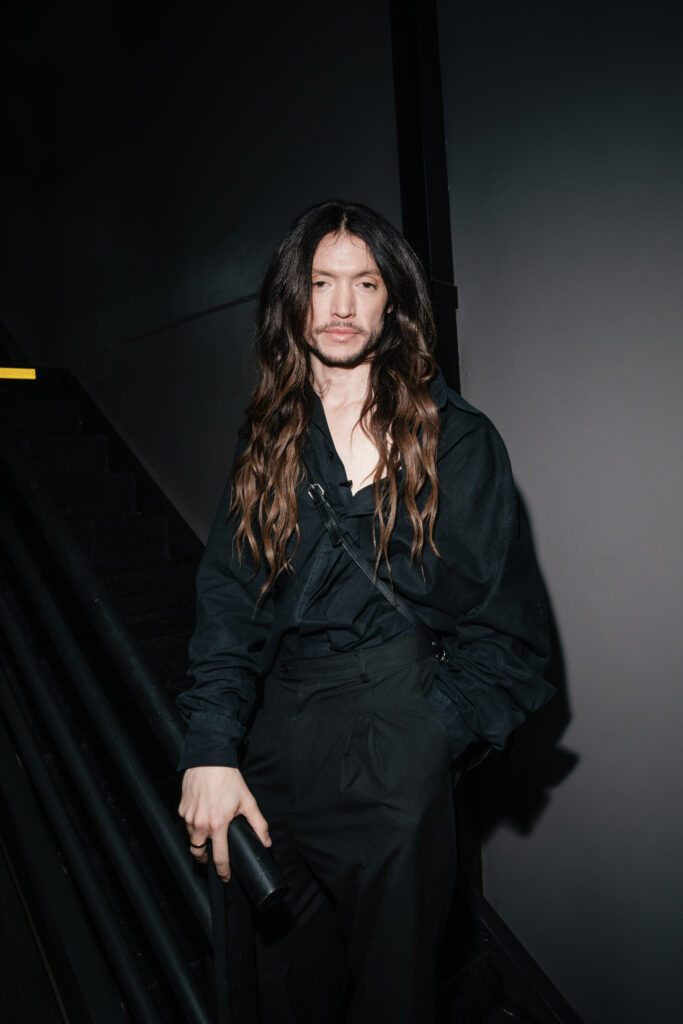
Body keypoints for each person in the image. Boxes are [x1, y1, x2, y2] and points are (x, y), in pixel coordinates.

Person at [176, 200, 555, 1024]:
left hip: (393, 726)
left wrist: (424, 738)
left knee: (391, 998)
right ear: (293, 299)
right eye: (321, 282)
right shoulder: (269, 436)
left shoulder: (456, 441)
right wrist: (210, 745)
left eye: (365, 283)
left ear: (393, 302)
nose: (341, 305)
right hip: (275, 737)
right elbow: (228, 603)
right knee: (274, 988)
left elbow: (510, 633)